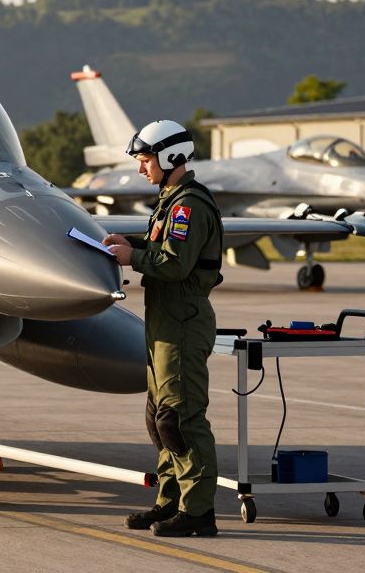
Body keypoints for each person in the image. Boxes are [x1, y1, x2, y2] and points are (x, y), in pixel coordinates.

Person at [102, 120, 224, 538]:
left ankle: (199, 511)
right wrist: (130, 242)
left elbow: (175, 263)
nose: (141, 169)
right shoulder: (171, 202)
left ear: (171, 157)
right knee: (159, 418)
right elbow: (161, 244)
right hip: (164, 324)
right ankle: (169, 501)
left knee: (181, 418)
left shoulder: (189, 205)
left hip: (183, 324)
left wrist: (130, 258)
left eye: (145, 159)